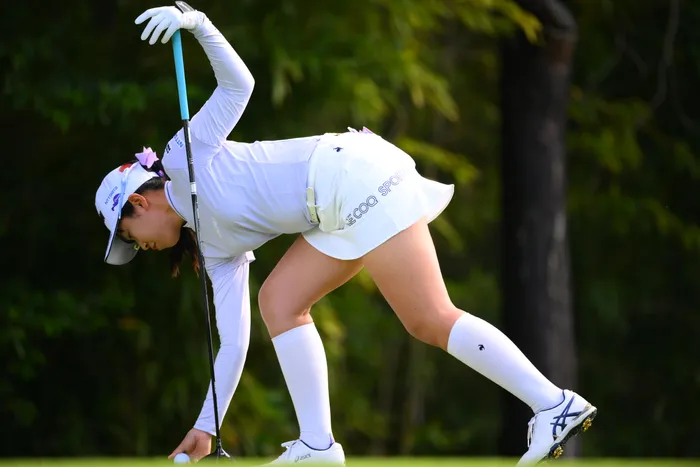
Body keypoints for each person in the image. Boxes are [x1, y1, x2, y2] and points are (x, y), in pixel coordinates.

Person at [94, 3, 597, 465]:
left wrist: (198, 24)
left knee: (428, 317)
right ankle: (317, 444)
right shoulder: (215, 248)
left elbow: (238, 86)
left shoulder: (183, 155)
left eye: (130, 236)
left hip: (352, 176)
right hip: (333, 209)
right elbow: (233, 344)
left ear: (138, 202)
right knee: (280, 300)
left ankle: (553, 404)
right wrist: (208, 425)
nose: (140, 248)